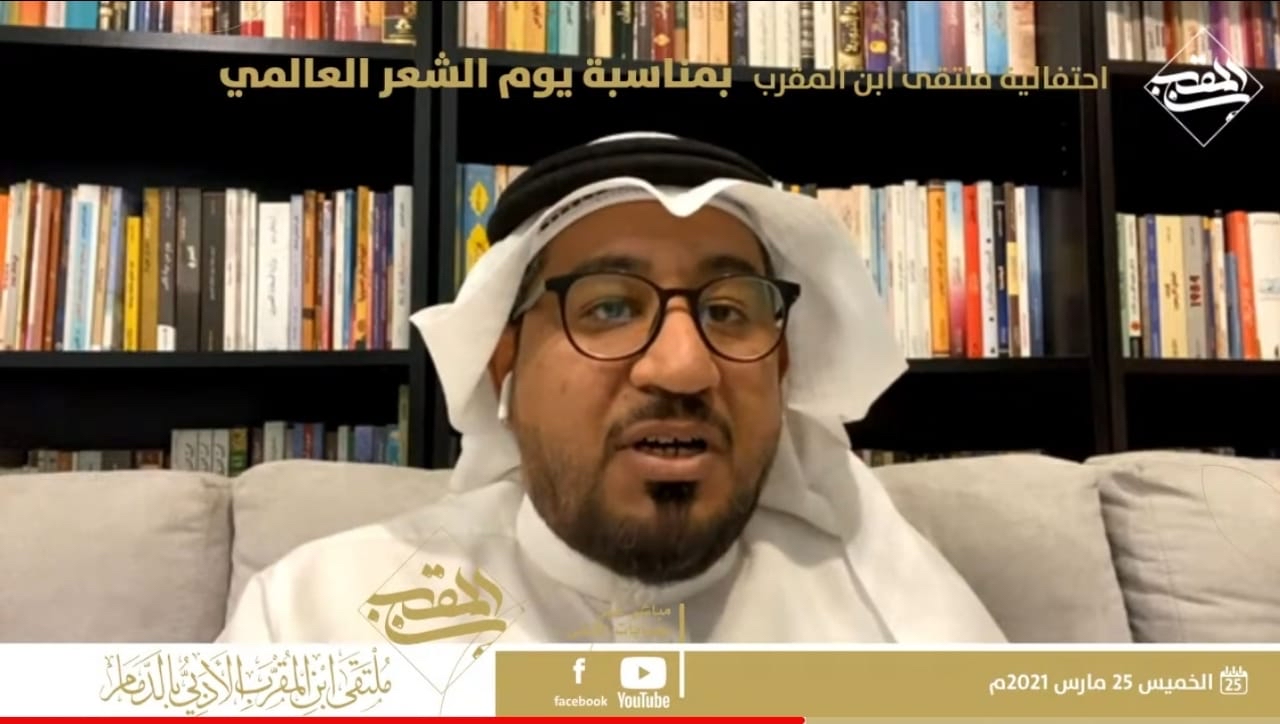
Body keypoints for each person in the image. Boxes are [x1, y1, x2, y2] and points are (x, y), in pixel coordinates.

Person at [217, 132, 1005, 645]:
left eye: (728, 311)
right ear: (504, 362)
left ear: (783, 368)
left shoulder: (895, 623)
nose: (683, 368)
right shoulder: (312, 618)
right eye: (609, 308)